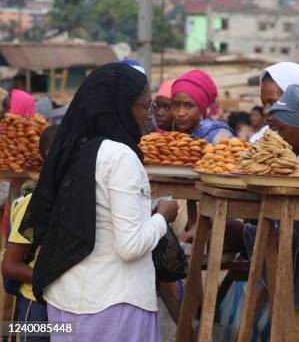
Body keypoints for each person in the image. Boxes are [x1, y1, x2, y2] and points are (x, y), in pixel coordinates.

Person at [18, 62, 179, 341]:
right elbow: (130, 246)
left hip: (65, 300)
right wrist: (162, 217)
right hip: (113, 304)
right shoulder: (120, 156)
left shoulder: (73, 149)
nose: (149, 116)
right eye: (146, 106)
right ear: (123, 107)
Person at [1, 125, 58, 341]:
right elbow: (10, 265)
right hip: (35, 305)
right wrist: (53, 281)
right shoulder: (34, 204)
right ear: (52, 154)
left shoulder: (69, 198)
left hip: (59, 304)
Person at [171, 70, 232, 143]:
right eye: (176, 105)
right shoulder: (171, 137)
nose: (181, 113)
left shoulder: (219, 137)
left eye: (189, 105)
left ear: (201, 108)